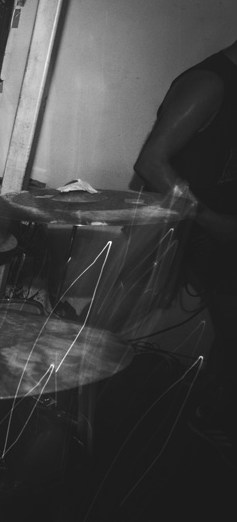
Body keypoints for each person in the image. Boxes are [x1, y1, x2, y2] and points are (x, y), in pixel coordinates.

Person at [133, 38, 236, 465]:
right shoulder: (210, 82)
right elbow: (151, 163)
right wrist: (215, 222)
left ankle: (212, 413)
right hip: (200, 228)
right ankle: (210, 420)